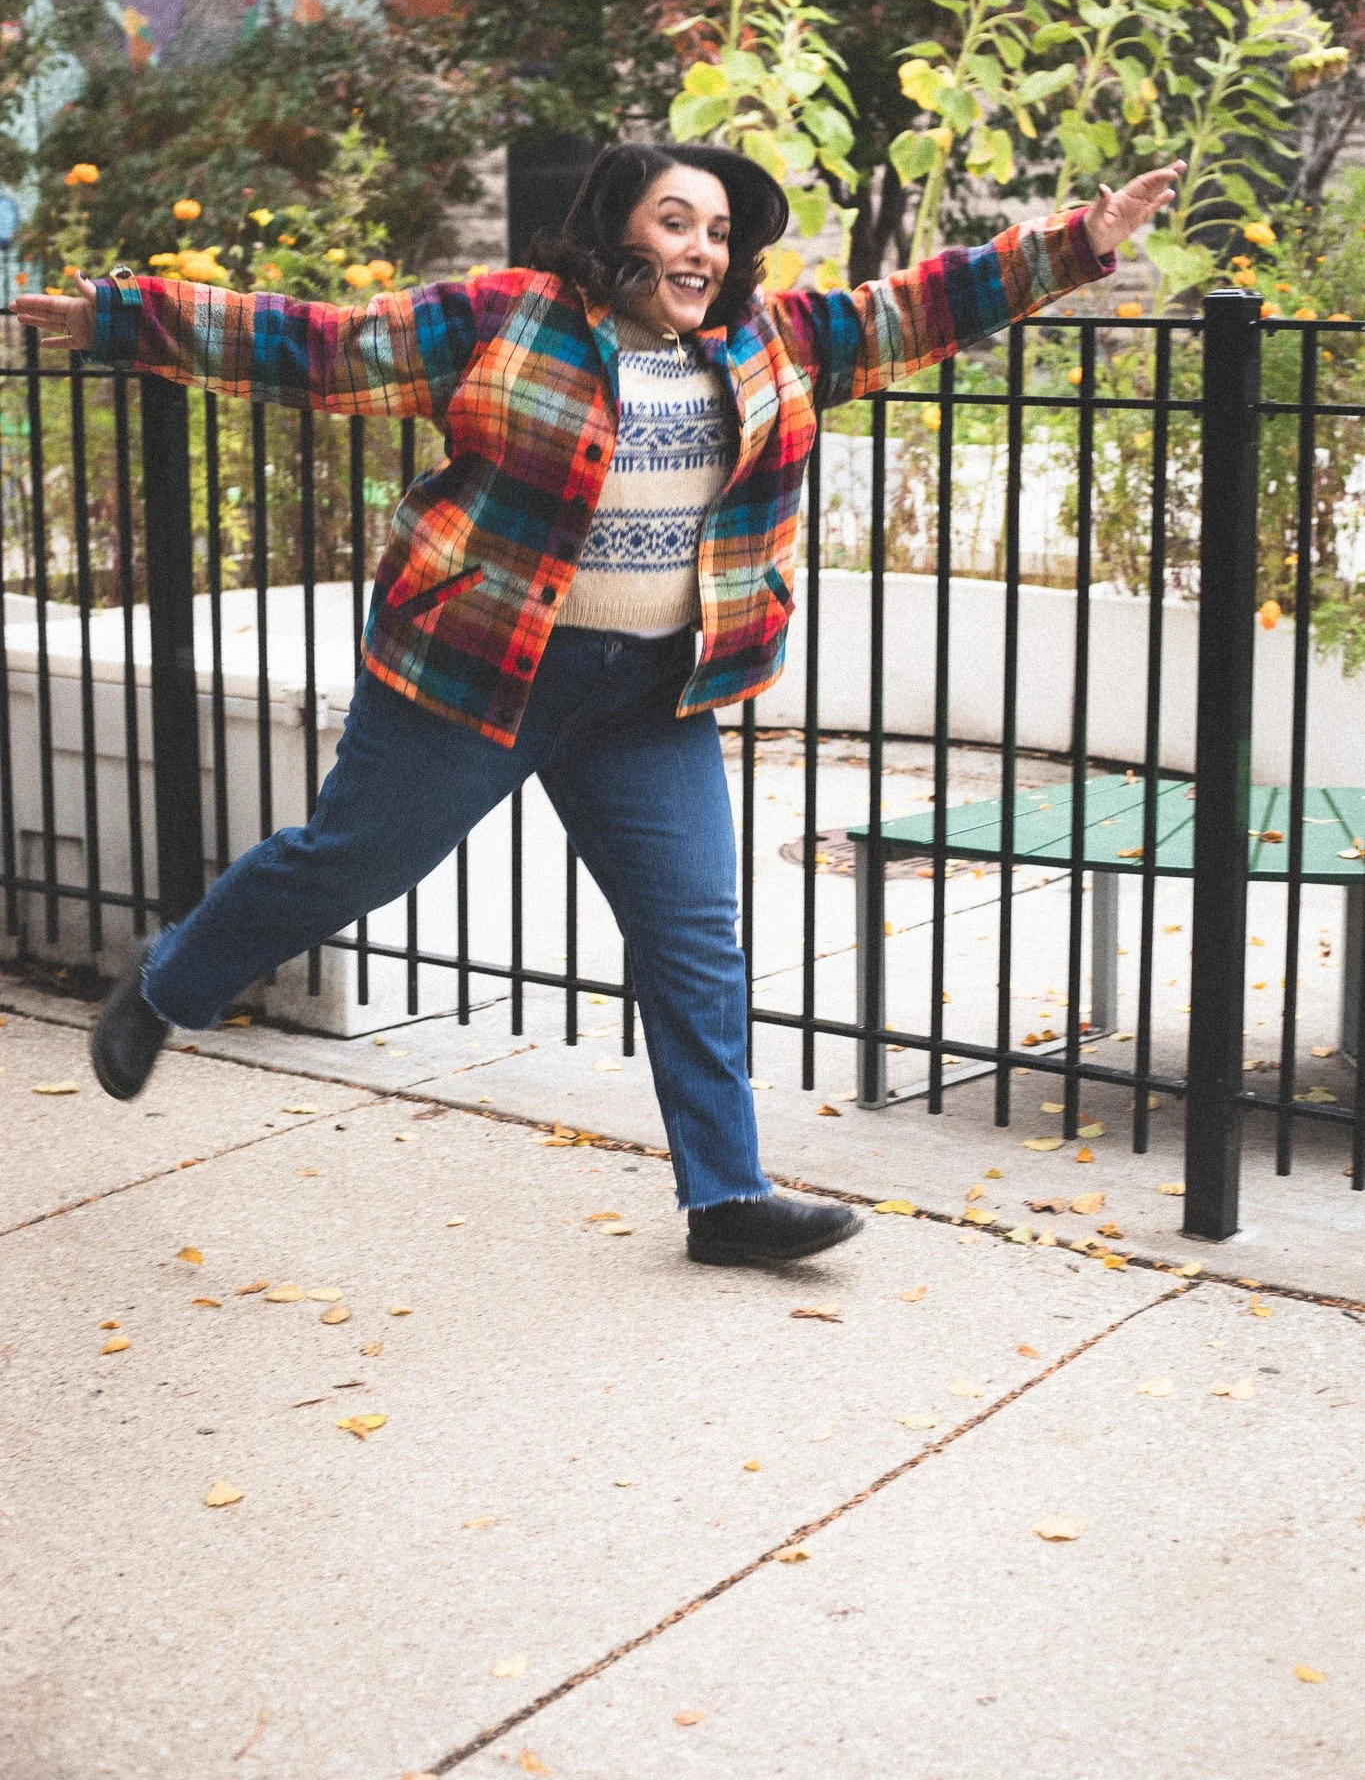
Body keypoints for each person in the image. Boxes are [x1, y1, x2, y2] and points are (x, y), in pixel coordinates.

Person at [15, 143, 1181, 1266]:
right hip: (479, 668)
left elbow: (919, 308)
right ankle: (169, 982)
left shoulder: (773, 339)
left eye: (718, 230)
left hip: (651, 694)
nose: (703, 248)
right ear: (615, 231)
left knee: (694, 936)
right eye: (677, 222)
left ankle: (726, 1196)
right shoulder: (505, 320)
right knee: (349, 863)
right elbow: (318, 346)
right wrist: (123, 317)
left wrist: (1076, 241)